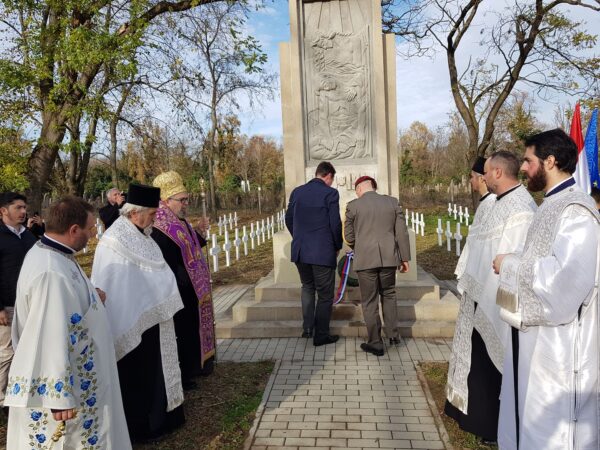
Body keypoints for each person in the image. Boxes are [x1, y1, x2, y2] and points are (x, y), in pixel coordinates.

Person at [493, 129, 599, 450]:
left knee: (550, 430)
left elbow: (565, 279)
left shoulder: (576, 211)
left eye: (528, 161)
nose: (524, 168)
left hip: (560, 344)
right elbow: (539, 256)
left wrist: (510, 265)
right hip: (536, 337)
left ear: (550, 161)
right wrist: (513, 259)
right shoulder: (551, 203)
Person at [5, 196, 131, 449]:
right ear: (73, 230)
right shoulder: (50, 272)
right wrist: (58, 396)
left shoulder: (54, 253)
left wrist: (91, 296)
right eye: (90, 229)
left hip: (82, 373)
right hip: (69, 391)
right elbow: (47, 332)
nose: (93, 235)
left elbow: (67, 306)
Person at [444, 151, 536, 444]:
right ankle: (473, 416)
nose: (482, 178)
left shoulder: (521, 208)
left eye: (485, 172)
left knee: (492, 365)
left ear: (497, 172)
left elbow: (512, 256)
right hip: (478, 292)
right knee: (478, 362)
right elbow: (479, 247)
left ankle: (492, 427)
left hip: (496, 298)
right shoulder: (494, 202)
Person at [91, 183, 185, 443]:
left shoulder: (144, 235)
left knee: (156, 371)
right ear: (134, 213)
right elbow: (115, 283)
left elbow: (156, 274)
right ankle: (142, 428)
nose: (155, 219)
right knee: (137, 375)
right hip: (130, 320)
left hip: (153, 317)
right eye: (152, 214)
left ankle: (163, 419)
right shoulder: (113, 241)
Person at [152, 171, 215, 391]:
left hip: (191, 288)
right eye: (182, 200)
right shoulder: (159, 226)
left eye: (186, 199)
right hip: (178, 288)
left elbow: (188, 247)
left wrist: (199, 233)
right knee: (183, 332)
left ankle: (197, 366)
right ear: (166, 200)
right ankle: (185, 374)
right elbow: (168, 258)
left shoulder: (178, 220)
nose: (186, 204)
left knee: (191, 329)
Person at [344, 176, 410, 356]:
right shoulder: (392, 202)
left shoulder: (353, 206)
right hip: (389, 258)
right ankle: (393, 335)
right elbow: (401, 233)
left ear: (359, 189)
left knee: (370, 300)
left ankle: (375, 342)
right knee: (389, 295)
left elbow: (348, 236)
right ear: (373, 187)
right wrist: (404, 258)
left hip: (365, 260)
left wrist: (360, 247)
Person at [285, 161, 342, 346]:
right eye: (332, 180)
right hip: (322, 252)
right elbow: (335, 223)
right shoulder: (330, 193)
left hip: (301, 251)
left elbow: (288, 218)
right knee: (325, 295)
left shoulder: (297, 192)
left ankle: (308, 329)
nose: (332, 183)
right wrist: (337, 245)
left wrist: (299, 237)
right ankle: (321, 335)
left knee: (308, 287)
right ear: (328, 176)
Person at [0, 193, 37, 412]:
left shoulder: (28, 235)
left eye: (24, 207)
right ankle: (1, 400)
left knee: (26, 349)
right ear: (3, 211)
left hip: (30, 303)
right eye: (18, 208)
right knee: (6, 353)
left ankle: (19, 395)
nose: (23, 211)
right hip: (7, 305)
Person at [453, 157, 496, 279]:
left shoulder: (491, 202)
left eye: (472, 177)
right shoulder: (485, 201)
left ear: (481, 178)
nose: (470, 181)